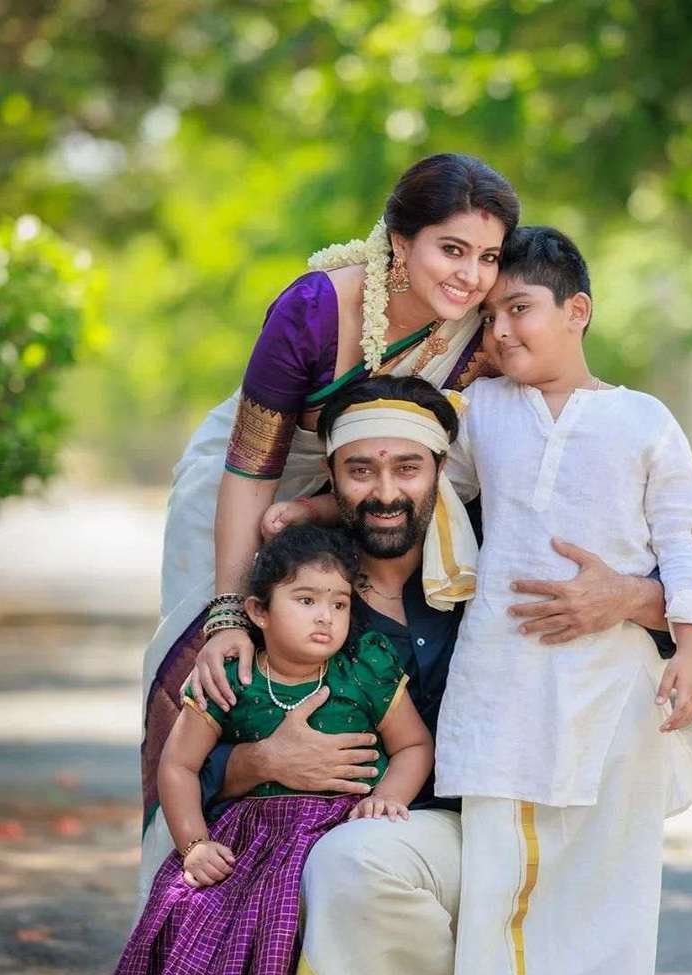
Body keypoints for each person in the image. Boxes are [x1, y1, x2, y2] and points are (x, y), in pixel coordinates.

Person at [211, 375, 692, 975]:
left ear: (442, 472)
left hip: (508, 824)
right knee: (352, 859)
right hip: (400, 839)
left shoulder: (501, 549)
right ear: (334, 478)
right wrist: (256, 762)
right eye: (360, 471)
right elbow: (194, 744)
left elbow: (658, 588)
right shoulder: (304, 590)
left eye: (407, 468)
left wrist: (635, 594)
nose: (386, 492)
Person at [138, 152, 519, 903]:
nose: (472, 275)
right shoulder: (316, 308)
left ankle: (296, 893)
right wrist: (227, 612)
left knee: (321, 650)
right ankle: (185, 890)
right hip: (249, 480)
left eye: (488, 256)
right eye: (452, 249)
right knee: (211, 668)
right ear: (400, 241)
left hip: (364, 482)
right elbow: (252, 466)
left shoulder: (481, 325)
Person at [432, 226, 692, 975]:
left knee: (610, 863)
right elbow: (415, 479)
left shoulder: (645, 421)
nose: (501, 330)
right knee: (509, 864)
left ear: (578, 310)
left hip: (614, 682)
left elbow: (685, 540)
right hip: (503, 676)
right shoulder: (480, 412)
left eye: (518, 308)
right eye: (490, 316)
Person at [91, 525, 432, 975]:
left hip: (327, 832)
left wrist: (385, 800)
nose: (325, 617)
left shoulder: (365, 671)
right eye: (306, 600)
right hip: (244, 835)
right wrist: (194, 845)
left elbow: (414, 747)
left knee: (277, 917)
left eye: (339, 604)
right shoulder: (232, 679)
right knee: (192, 905)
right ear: (258, 611)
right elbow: (178, 765)